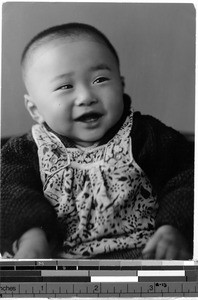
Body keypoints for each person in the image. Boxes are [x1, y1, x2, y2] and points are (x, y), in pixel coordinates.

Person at [1, 23, 194, 260]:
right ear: (35, 109)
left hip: (145, 254)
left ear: (121, 85)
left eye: (100, 80)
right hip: (56, 259)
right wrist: (32, 236)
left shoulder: (147, 135)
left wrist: (174, 227)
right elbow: (10, 193)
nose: (86, 97)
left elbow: (186, 176)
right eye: (65, 86)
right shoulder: (23, 152)